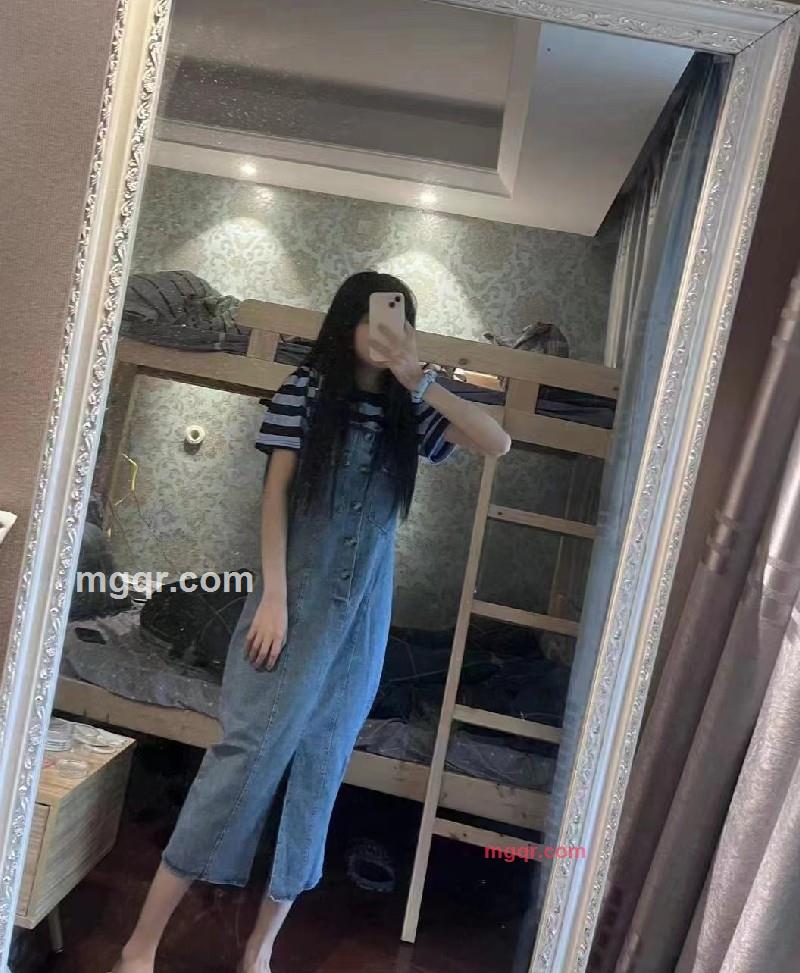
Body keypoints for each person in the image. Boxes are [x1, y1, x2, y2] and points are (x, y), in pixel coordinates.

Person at [113, 271, 511, 973]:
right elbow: (275, 498)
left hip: (362, 625)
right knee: (243, 757)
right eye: (374, 318)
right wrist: (272, 596)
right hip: (290, 605)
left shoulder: (410, 410)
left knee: (321, 772)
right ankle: (139, 946)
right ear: (345, 322)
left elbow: (496, 440)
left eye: (399, 321)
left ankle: (260, 951)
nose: (384, 332)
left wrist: (418, 377)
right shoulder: (307, 390)